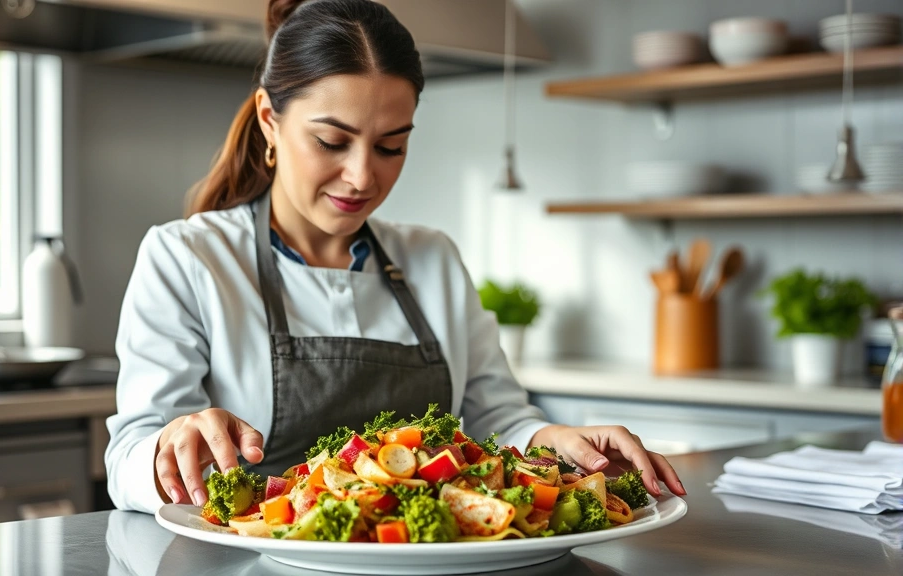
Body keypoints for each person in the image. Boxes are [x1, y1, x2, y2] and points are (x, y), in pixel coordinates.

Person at [105, 0, 685, 514]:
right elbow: (129, 459)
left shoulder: (431, 258)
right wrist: (167, 446)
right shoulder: (187, 257)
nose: (362, 177)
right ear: (269, 121)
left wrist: (552, 439)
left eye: (391, 146)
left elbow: (496, 420)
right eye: (332, 142)